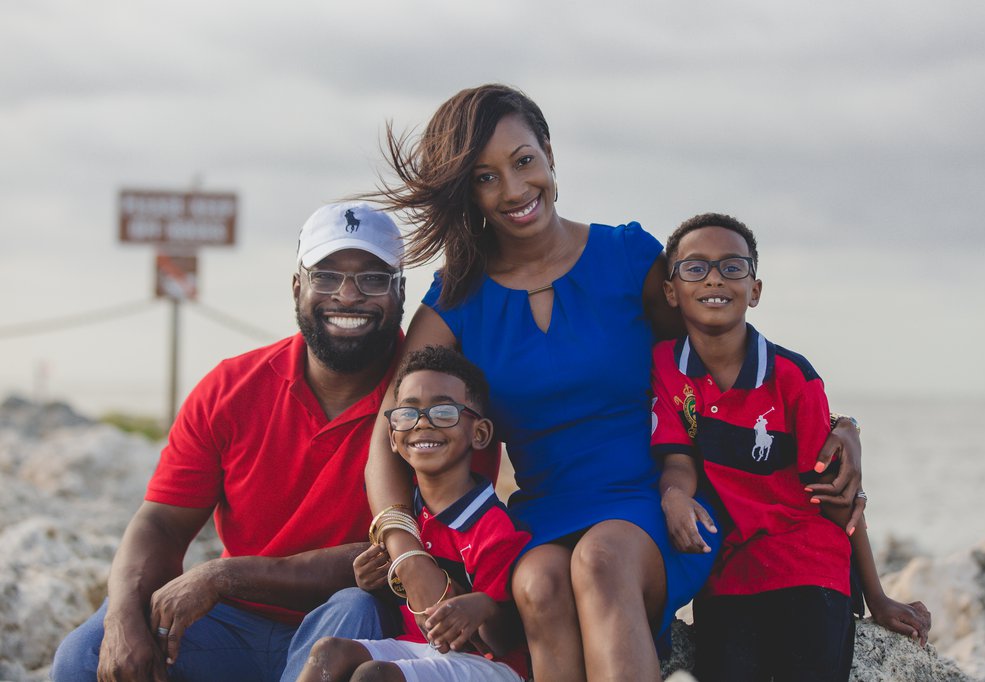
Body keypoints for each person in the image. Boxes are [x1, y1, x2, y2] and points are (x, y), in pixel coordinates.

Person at [362, 84, 866, 682]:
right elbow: (389, 430)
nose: (515, 190)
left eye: (524, 162)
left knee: (601, 560)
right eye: (486, 177)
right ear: (467, 191)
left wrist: (839, 425)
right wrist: (406, 549)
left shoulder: (627, 256)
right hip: (543, 513)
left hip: (655, 501)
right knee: (535, 582)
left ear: (549, 153)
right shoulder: (457, 298)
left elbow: (722, 354)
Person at [52, 201, 430, 682]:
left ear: (400, 292)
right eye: (327, 275)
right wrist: (121, 616)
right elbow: (162, 523)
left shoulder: (430, 397)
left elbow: (400, 554)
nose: (348, 295)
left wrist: (220, 575)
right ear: (298, 287)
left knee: (355, 606)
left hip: (351, 629)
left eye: (373, 278)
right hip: (231, 627)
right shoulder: (231, 387)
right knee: (81, 656)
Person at [651, 212, 930, 680]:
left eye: (732, 266)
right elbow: (678, 459)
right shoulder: (666, 366)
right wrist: (673, 496)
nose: (715, 277)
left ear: (755, 290)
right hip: (728, 573)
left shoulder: (792, 377)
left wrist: (877, 597)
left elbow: (838, 493)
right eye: (695, 267)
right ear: (671, 290)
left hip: (808, 563)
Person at [296, 345, 531, 682]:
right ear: (393, 437)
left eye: (444, 412)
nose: (423, 423)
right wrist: (371, 582)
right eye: (408, 413)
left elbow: (510, 637)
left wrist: (483, 607)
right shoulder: (406, 519)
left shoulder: (493, 527)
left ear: (479, 433)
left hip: (491, 666)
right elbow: (403, 598)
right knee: (329, 653)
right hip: (419, 648)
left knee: (374, 676)